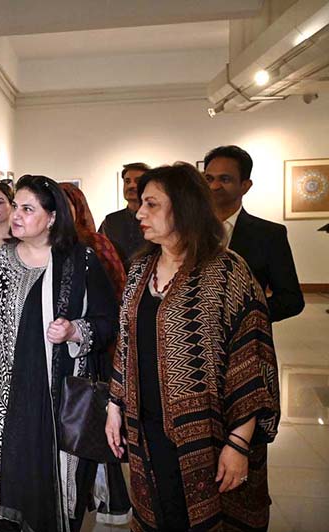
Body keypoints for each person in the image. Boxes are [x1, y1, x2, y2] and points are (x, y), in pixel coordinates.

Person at [105, 164, 280, 532]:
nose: (139, 213)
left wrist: (238, 443)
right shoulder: (139, 270)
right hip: (146, 430)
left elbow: (250, 363)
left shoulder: (228, 272)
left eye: (152, 204)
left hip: (210, 436)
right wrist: (114, 406)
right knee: (159, 513)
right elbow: (125, 344)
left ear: (183, 208)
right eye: (141, 204)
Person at [0, 174, 118, 532]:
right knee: (10, 474)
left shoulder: (81, 261)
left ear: (51, 218)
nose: (15, 215)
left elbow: (108, 320)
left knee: (61, 483)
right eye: (15, 206)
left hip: (63, 396)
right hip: (9, 392)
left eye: (27, 209)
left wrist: (75, 330)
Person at [59, 182, 131, 526]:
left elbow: (116, 300)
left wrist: (82, 330)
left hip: (97, 352)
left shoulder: (95, 246)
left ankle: (93, 496)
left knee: (90, 425)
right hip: (66, 359)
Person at [203, 145, 304, 322]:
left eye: (225, 179)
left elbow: (291, 300)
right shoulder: (184, 231)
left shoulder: (269, 235)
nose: (214, 186)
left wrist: (244, 319)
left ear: (245, 186)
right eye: (209, 179)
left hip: (243, 342)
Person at [99, 162, 151, 268]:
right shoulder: (111, 221)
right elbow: (99, 253)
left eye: (138, 181)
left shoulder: (156, 220)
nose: (131, 185)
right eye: (127, 181)